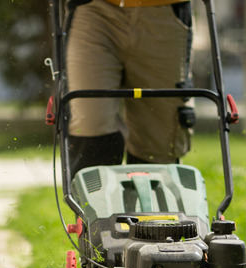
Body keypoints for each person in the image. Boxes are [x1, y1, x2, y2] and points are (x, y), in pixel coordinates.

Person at [65, 0, 194, 177]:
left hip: (164, 11)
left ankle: (153, 202)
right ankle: (93, 200)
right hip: (94, 11)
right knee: (90, 125)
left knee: (157, 144)